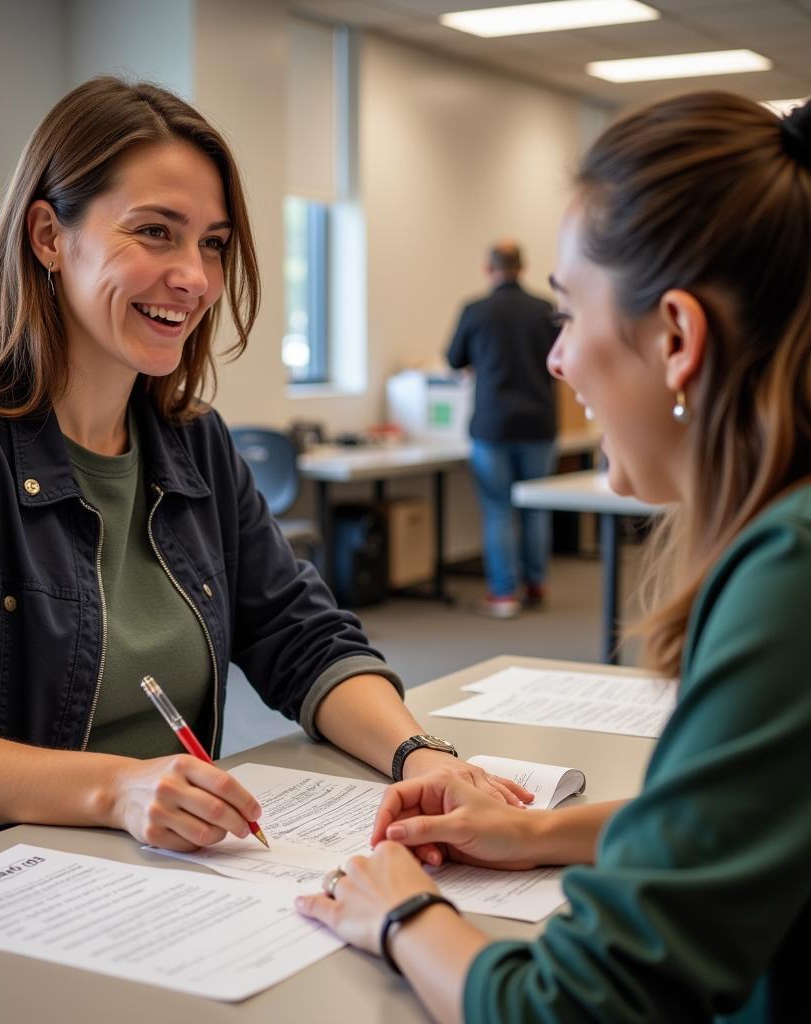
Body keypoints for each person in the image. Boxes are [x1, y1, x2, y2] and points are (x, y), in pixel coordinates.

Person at [0, 77, 530, 898]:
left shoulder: (188, 441)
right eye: (155, 233)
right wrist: (118, 788)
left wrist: (420, 755)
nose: (195, 277)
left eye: (213, 243)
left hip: (147, 882)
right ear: (47, 234)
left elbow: (301, 637)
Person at [298, 91, 811, 1023]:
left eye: (570, 315)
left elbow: (578, 1006)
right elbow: (729, 832)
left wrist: (404, 914)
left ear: (679, 339)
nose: (559, 359)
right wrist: (534, 831)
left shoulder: (791, 574)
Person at [446, 241, 559, 618]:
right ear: (523, 267)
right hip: (539, 424)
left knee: (498, 509)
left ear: (487, 268)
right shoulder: (545, 309)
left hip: (492, 426)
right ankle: (537, 583)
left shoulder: (476, 310)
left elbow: (453, 359)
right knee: (535, 508)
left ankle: (503, 594)